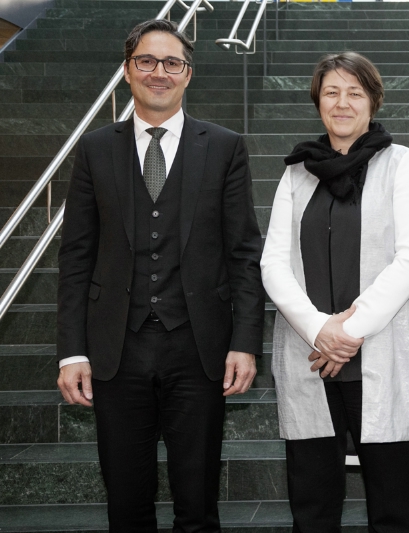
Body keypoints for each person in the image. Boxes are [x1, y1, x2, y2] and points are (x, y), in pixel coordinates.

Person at [56, 19, 265, 531]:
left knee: (198, 502)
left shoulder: (224, 147)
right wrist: (72, 351)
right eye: (146, 61)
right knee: (126, 502)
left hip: (199, 347)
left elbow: (244, 253)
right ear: (128, 71)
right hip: (115, 349)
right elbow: (76, 255)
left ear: (188, 74)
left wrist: (245, 342)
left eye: (172, 63)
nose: (159, 72)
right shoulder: (95, 148)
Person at [260, 51, 409, 532]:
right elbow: (273, 262)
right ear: (318, 101)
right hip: (310, 356)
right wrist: (320, 329)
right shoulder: (297, 172)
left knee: (394, 511)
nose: (342, 103)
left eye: (354, 93)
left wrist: (348, 331)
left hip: (382, 351)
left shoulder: (403, 164)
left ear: (373, 101)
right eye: (331, 92)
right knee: (312, 509)